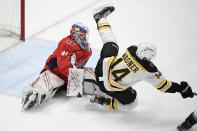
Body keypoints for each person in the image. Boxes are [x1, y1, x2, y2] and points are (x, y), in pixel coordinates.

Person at [88, 4, 194, 111]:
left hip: (101, 68)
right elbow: (164, 86)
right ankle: (103, 101)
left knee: (110, 41)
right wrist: (180, 89)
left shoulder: (132, 49)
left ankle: (99, 18)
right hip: (109, 87)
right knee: (132, 103)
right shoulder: (148, 71)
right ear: (146, 58)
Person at [22, 22, 92, 110]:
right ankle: (33, 94)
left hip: (70, 77)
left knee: (94, 74)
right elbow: (64, 66)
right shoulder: (66, 43)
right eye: (82, 36)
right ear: (76, 35)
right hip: (55, 73)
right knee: (42, 88)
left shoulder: (86, 48)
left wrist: (77, 79)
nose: (84, 38)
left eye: (85, 36)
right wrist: (76, 80)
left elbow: (77, 66)